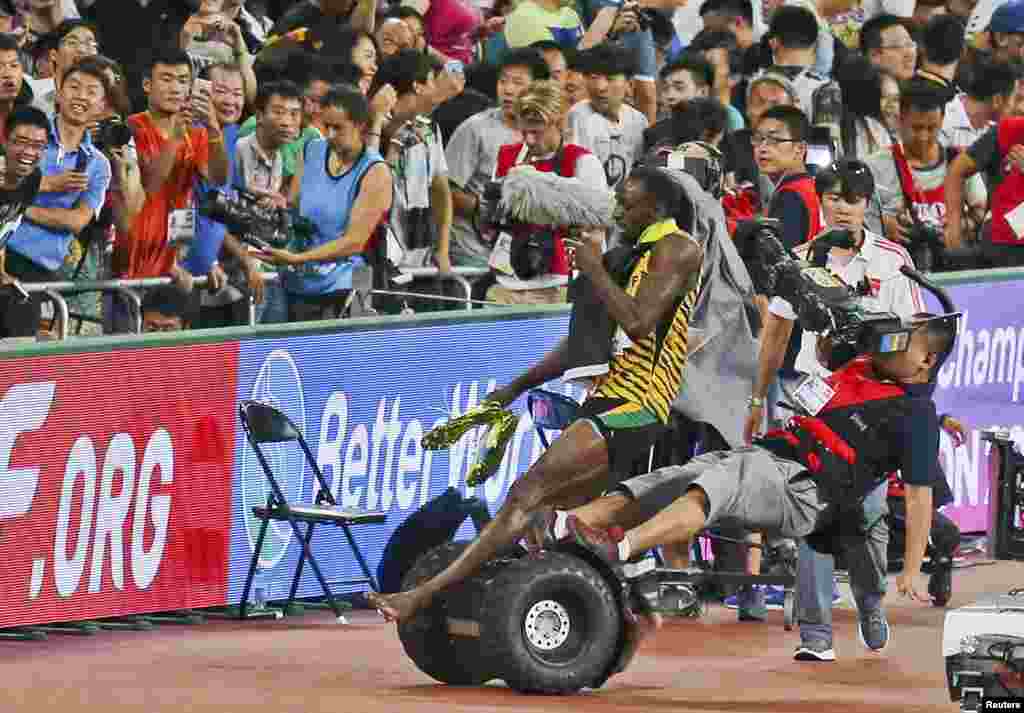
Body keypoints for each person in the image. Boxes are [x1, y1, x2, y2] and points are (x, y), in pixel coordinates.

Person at [368, 166, 704, 622]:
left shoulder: (678, 248)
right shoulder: (627, 254)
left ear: (658, 208)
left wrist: (592, 269)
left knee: (527, 494)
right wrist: (514, 387)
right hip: (607, 400)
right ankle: (590, 615)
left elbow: (639, 322)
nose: (618, 210)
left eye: (629, 203)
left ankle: (423, 595)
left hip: (638, 407)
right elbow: (583, 345)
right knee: (542, 514)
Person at [561, 316, 956, 659]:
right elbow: (824, 347)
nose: (892, 341)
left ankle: (621, 548)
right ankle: (565, 525)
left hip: (811, 489)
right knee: (676, 478)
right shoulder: (862, 364)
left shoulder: (917, 415)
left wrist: (909, 569)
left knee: (867, 572)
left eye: (905, 339)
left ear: (926, 361)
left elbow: (921, 496)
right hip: (774, 456)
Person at [109, 48, 230, 333]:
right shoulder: (129, 129)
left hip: (167, 270)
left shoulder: (198, 132)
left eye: (182, 80)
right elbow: (148, 187)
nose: (175, 88)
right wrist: (174, 140)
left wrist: (214, 130)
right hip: (126, 267)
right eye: (166, 79)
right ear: (147, 85)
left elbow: (216, 178)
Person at [254, 84, 392, 322]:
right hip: (299, 282)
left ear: (360, 126)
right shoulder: (311, 150)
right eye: (326, 126)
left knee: (342, 358)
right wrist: (280, 204)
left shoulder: (375, 171)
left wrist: (298, 259)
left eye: (338, 128)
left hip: (349, 284)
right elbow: (294, 208)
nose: (328, 134)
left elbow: (354, 243)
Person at [4, 58, 112, 340]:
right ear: (59, 93)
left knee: (17, 359)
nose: (81, 96)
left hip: (39, 273)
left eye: (91, 91)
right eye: (74, 87)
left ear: (102, 106)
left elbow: (77, 221)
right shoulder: (28, 134)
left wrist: (19, 207)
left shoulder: (99, 165)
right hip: (5, 254)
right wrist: (43, 187)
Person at [486, 80, 606, 305]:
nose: (529, 139)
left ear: (559, 123)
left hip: (558, 285)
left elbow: (596, 234)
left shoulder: (582, 162)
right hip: (506, 283)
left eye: (537, 132)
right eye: (524, 131)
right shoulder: (506, 157)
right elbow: (493, 217)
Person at [864, 78, 987, 269]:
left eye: (932, 128)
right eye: (916, 128)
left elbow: (983, 215)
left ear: (942, 121)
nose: (923, 137)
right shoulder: (875, 166)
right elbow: (856, 222)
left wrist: (961, 225)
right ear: (900, 119)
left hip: (956, 270)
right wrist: (882, 226)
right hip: (899, 271)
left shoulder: (961, 162)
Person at [444, 48, 549, 268]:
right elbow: (444, 190)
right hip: (472, 250)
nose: (508, 90)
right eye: (503, 81)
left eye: (518, 83)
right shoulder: (475, 128)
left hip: (523, 254)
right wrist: (485, 209)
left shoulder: (548, 133)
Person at [0, 106, 52, 342]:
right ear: (5, 141)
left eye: (38, 145)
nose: (29, 152)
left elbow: (6, 229)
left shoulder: (32, 178)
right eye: (20, 142)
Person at [567, 43, 649, 189]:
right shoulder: (578, 116)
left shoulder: (638, 120)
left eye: (610, 79)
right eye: (594, 77)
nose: (600, 87)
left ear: (629, 84)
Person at [752, 104, 821, 250]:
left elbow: (780, 262)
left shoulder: (790, 195)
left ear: (800, 148)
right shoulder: (813, 186)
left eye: (774, 140)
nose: (762, 148)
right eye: (758, 139)